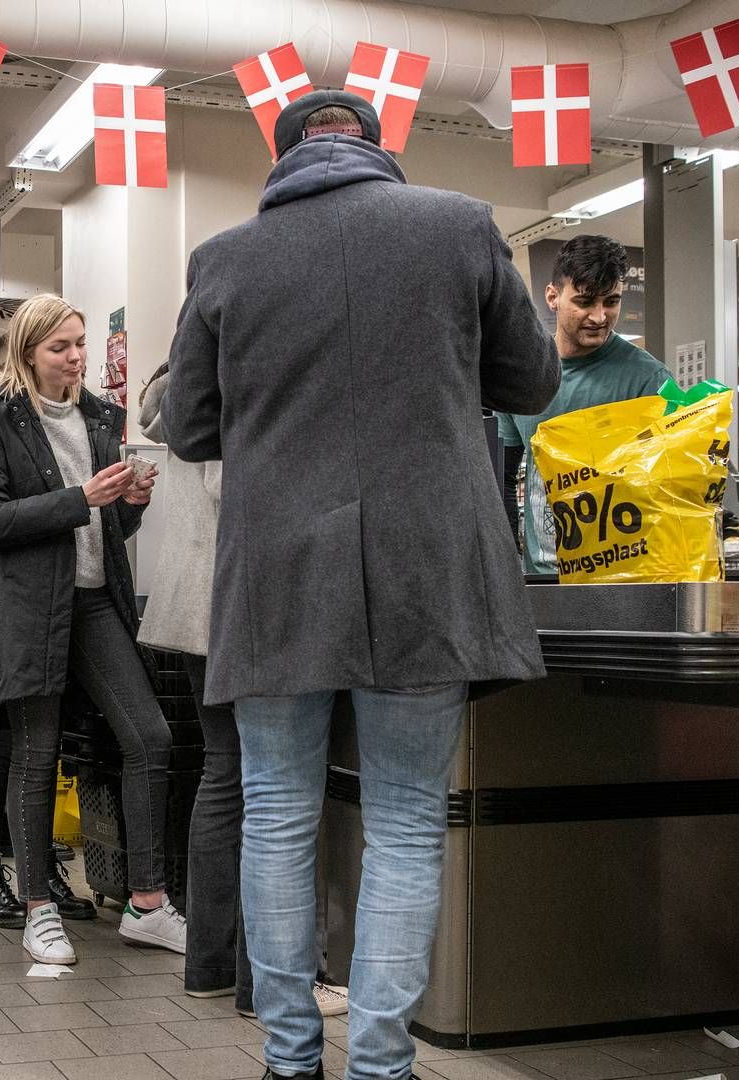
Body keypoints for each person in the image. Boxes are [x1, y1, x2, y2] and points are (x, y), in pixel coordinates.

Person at [161, 90, 557, 1080]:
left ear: (281, 155)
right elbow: (533, 383)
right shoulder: (460, 226)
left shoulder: (222, 260)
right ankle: (382, 1064)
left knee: (279, 816)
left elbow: (190, 429)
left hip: (279, 575)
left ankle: (291, 1061)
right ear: (379, 150)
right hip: (428, 566)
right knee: (409, 824)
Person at [0, 293, 184, 966]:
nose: (76, 356)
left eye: (81, 342)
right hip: (27, 608)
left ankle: (147, 902)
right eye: (60, 346)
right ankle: (39, 908)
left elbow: (104, 530)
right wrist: (79, 498)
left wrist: (128, 506)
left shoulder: (102, 419)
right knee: (37, 753)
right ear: (28, 352)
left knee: (150, 737)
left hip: (92, 602)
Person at [134, 362, 353, 1022]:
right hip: (247, 602)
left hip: (201, 604)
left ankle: (210, 966)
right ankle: (272, 981)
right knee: (275, 787)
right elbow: (244, 489)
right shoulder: (239, 377)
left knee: (224, 775)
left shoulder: (180, 389)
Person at [498, 234, 674, 575]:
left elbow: (673, 486)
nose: (599, 316)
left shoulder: (648, 381)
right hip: (542, 581)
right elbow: (502, 479)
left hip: (622, 584)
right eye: (585, 301)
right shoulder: (521, 375)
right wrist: (507, 565)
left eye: (611, 301)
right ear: (553, 297)